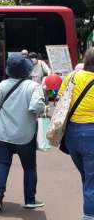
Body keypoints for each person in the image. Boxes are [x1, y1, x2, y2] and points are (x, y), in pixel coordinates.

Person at [0, 53, 47, 211]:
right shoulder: (33, 86)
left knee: (3, 163)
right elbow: (36, 106)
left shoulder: (3, 85)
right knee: (29, 167)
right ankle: (29, 199)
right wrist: (42, 109)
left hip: (2, 133)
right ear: (27, 71)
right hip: (24, 136)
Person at [62, 48, 94, 220]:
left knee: (88, 178)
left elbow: (61, 100)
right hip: (91, 134)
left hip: (72, 134)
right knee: (91, 182)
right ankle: (89, 216)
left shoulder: (72, 76)